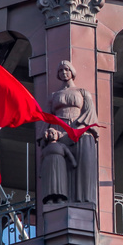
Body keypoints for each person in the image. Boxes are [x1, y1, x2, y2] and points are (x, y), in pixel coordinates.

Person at [49, 61, 99, 205]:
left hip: (78, 129)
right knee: (59, 165)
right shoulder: (53, 95)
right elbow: (46, 116)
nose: (64, 73)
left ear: (72, 72)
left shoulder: (82, 92)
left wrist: (80, 127)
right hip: (59, 130)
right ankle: (58, 197)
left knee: (80, 163)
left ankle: (81, 198)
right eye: (60, 71)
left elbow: (90, 112)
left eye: (66, 70)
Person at [40, 128, 77, 204]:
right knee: (49, 182)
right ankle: (49, 198)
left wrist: (73, 162)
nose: (53, 134)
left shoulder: (62, 146)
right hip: (48, 166)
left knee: (60, 180)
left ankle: (60, 197)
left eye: (55, 133)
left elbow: (69, 154)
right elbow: (41, 161)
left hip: (60, 164)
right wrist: (40, 172)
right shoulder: (45, 149)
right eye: (51, 133)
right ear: (47, 136)